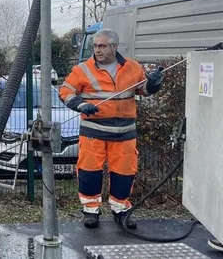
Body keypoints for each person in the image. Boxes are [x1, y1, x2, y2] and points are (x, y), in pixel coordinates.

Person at [58, 28, 164, 229]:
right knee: (89, 172)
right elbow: (65, 91)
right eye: (96, 46)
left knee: (124, 173)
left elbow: (144, 90)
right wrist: (80, 105)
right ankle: (91, 211)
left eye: (102, 46)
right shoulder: (82, 69)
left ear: (114, 47)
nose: (97, 50)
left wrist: (154, 85)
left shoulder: (133, 67)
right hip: (93, 132)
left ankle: (120, 210)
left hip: (124, 133)